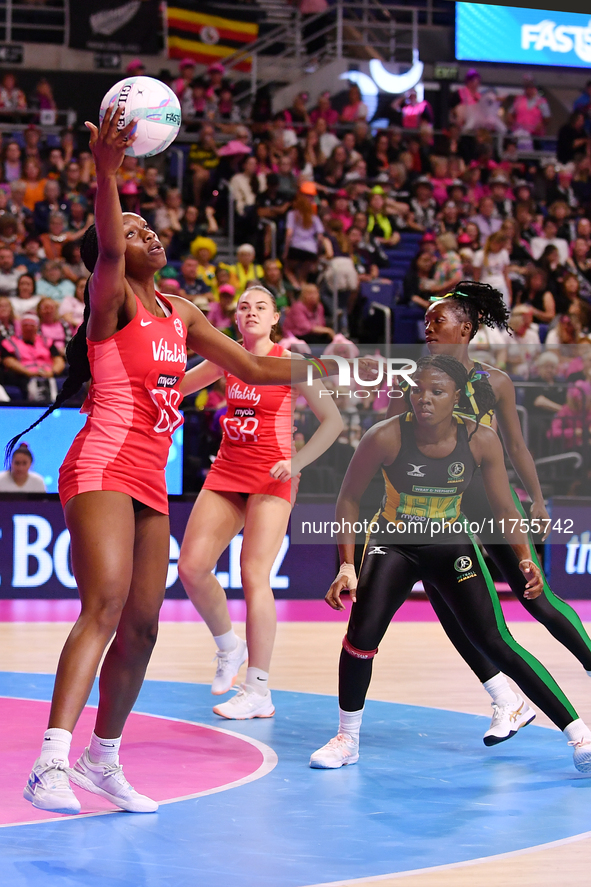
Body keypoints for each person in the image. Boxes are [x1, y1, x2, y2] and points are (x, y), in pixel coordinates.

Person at [8, 107, 347, 817]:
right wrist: (106, 176)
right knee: (101, 605)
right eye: (134, 230)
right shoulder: (112, 298)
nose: (147, 233)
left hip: (150, 479)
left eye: (149, 226)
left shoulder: (182, 311)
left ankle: (104, 757)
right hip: (99, 462)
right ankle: (50, 761)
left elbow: (255, 363)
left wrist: (349, 375)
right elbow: (104, 246)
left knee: (143, 625)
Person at [310, 354, 591, 772]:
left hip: (449, 543)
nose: (424, 398)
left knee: (497, 642)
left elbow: (502, 508)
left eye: (437, 392)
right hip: (395, 545)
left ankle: (579, 735)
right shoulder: (384, 436)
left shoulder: (480, 440)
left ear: (457, 397)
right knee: (361, 638)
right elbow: (348, 499)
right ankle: (346, 740)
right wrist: (347, 564)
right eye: (417, 390)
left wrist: (524, 559)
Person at [382, 283, 591, 745]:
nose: (428, 326)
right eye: (427, 320)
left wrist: (535, 499)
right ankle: (504, 700)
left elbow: (516, 446)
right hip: (440, 510)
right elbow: (394, 448)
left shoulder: (494, 381)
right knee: (451, 609)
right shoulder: (412, 381)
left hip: (492, 508)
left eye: (439, 319)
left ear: (467, 328)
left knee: (535, 598)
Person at [177, 285, 343, 718]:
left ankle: (258, 690)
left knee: (254, 574)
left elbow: (333, 422)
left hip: (274, 474)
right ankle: (228, 646)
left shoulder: (293, 363)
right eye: (244, 307)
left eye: (261, 307)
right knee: (192, 568)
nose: (251, 312)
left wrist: (298, 458)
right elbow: (175, 388)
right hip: (228, 471)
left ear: (275, 319)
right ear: (236, 319)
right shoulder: (228, 356)